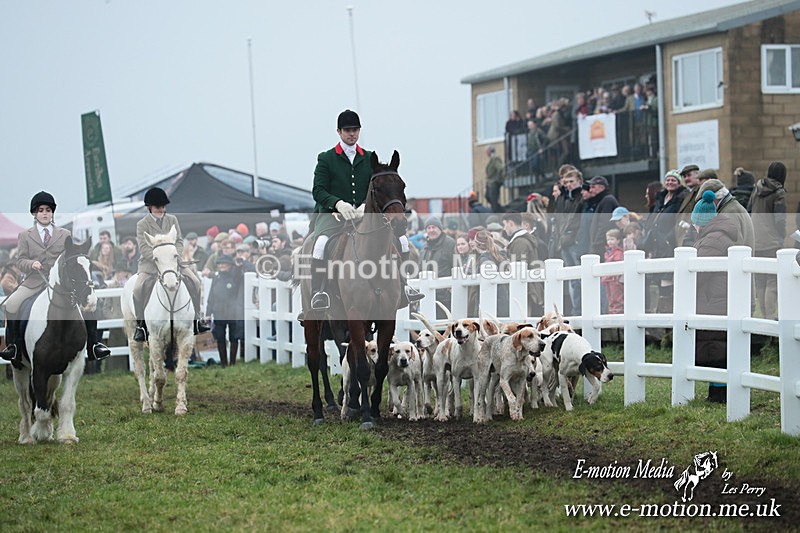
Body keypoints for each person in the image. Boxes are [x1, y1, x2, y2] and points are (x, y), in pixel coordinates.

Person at [309, 109, 421, 310]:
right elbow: (318, 190)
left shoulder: (369, 157)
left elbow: (377, 188)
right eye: (347, 130)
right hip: (333, 215)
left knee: (402, 241)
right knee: (320, 244)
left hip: (365, 214)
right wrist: (337, 204)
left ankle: (404, 285)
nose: (351, 134)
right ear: (339, 131)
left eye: (355, 130)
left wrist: (363, 206)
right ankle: (320, 292)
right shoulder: (326, 158)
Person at [1, 191, 110, 363]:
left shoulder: (64, 234)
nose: (45, 213)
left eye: (48, 210)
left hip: (62, 282)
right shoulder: (25, 236)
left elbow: (71, 256)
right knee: (11, 304)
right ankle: (14, 346)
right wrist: (31, 264)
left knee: (89, 303)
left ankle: (93, 345)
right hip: (34, 280)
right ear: (34, 213)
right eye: (41, 210)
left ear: (52, 213)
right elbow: (20, 260)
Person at [131, 187, 210, 342]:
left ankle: (197, 320)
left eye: (163, 207)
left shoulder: (172, 220)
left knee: (195, 282)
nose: (162, 210)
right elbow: (144, 247)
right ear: (150, 208)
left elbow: (179, 241)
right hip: (150, 264)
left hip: (173, 262)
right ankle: (141, 326)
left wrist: (174, 255)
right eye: (158, 207)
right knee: (137, 289)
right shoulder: (142, 224)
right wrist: (159, 258)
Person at [692, 190, 736, 403]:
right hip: (717, 298)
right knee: (716, 347)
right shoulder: (717, 237)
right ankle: (717, 392)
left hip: (713, 300)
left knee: (715, 348)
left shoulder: (711, 241)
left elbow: (699, 273)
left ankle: (719, 394)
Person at [747, 161, 787, 320]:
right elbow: (780, 219)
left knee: (760, 280)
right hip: (772, 241)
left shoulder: (756, 188)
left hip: (756, 240)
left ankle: (763, 316)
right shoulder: (779, 192)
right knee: (772, 281)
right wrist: (782, 236)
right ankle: (770, 316)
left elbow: (749, 209)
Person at [502, 212, 543, 316]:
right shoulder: (522, 240)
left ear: (510, 223)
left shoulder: (520, 242)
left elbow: (518, 268)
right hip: (529, 288)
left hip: (526, 290)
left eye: (504, 225)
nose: (504, 228)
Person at [206, 254, 244, 367]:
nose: (222, 266)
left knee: (233, 337)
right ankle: (223, 363)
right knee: (220, 337)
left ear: (230, 265)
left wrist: (237, 266)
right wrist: (208, 313)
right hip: (218, 312)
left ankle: (232, 362)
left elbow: (238, 274)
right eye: (220, 264)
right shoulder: (216, 278)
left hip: (232, 312)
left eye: (224, 264)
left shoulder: (235, 276)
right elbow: (211, 296)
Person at [602, 229, 624, 314]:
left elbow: (617, 265)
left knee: (617, 298)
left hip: (615, 280)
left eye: (612, 239)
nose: (609, 242)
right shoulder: (607, 252)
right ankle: (612, 314)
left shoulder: (618, 252)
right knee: (610, 298)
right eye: (608, 239)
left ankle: (618, 315)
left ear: (618, 240)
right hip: (608, 280)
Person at [484, 145, 505, 212]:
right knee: (488, 196)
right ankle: (499, 209)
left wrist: (497, 179)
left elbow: (500, 168)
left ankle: (497, 211)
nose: (486, 153)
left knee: (494, 199)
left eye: (487, 151)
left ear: (490, 151)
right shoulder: (492, 159)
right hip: (490, 182)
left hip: (493, 182)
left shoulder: (495, 158)